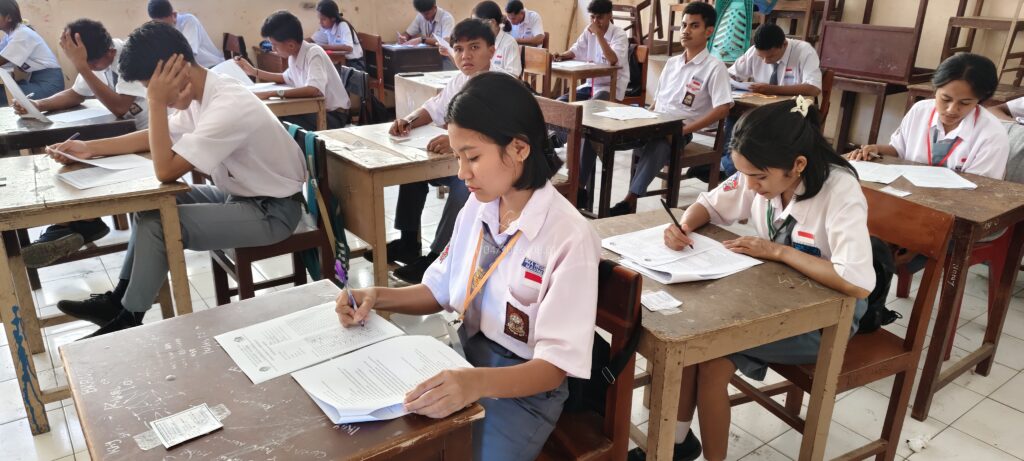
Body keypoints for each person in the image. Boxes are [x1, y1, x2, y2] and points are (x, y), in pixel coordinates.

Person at [336, 71, 600, 461]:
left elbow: (553, 368)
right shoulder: (479, 206)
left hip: (524, 391)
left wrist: (474, 383)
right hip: (465, 358)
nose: (462, 173)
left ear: (519, 148)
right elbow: (439, 290)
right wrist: (375, 295)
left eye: (472, 157)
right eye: (458, 157)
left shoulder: (569, 236)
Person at [630, 97, 874, 461]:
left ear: (798, 165)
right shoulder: (762, 168)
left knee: (707, 356)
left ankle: (686, 448)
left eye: (758, 177)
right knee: (695, 344)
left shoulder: (839, 191)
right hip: (774, 297)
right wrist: (683, 226)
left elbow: (856, 282)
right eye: (744, 174)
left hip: (827, 316)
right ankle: (677, 444)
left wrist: (778, 252)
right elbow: (709, 204)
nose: (750, 185)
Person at [53, 21, 306, 338]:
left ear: (178, 68)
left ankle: (129, 318)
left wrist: (156, 103)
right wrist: (89, 148)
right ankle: (117, 301)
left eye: (154, 88)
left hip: (273, 212)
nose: (156, 96)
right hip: (241, 196)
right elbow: (154, 137)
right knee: (149, 207)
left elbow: (166, 170)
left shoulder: (228, 104)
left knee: (160, 225)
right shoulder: (203, 94)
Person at [16, 19, 150, 270]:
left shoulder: (129, 57)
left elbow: (120, 107)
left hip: (148, 136)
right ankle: (78, 223)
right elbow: (76, 93)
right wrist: (38, 105)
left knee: (87, 156)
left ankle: (80, 224)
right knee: (72, 158)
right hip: (127, 134)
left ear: (110, 51)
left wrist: (82, 66)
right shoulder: (95, 58)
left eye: (91, 64)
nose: (89, 68)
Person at [373, 18, 495, 284]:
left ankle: (439, 256)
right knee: (411, 173)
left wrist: (455, 142)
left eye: (474, 47)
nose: (466, 55)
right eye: (459, 49)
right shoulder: (460, 80)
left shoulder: (498, 86)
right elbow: (433, 107)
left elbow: (496, 135)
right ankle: (408, 241)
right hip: (459, 161)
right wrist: (409, 120)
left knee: (464, 185)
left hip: (490, 170)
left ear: (492, 51)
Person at [606, 1, 732, 216]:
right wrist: (642, 116)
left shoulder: (714, 67)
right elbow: (657, 101)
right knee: (604, 134)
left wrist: (684, 130)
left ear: (709, 32)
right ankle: (583, 187)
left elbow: (723, 109)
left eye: (694, 26)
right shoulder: (672, 63)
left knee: (660, 142)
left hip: (680, 131)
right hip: (653, 124)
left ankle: (629, 200)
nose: (686, 31)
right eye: (684, 25)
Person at [846, 53, 1008, 179]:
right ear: (935, 89)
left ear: (980, 100)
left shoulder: (992, 135)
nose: (952, 109)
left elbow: (981, 188)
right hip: (909, 194)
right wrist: (876, 149)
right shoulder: (920, 110)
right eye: (945, 99)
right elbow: (899, 150)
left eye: (965, 103)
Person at [721, 22, 821, 176]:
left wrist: (772, 89)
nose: (765, 61)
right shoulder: (754, 51)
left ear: (784, 44)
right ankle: (731, 163)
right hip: (760, 108)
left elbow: (813, 88)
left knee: (755, 129)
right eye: (761, 57)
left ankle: (729, 167)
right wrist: (732, 82)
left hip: (791, 111)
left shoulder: (804, 51)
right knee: (733, 111)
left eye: (771, 56)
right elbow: (731, 74)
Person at [234, 10, 350, 130]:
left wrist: (271, 94)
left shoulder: (314, 53)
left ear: (291, 45)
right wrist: (253, 71)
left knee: (274, 119)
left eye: (275, 45)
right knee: (272, 118)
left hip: (333, 116)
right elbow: (284, 78)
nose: (273, 49)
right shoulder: (293, 56)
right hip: (315, 110)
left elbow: (314, 90)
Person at [553, 0, 628, 102]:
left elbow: (613, 60)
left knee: (591, 107)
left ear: (610, 15)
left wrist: (599, 35)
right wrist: (562, 55)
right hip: (591, 85)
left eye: (600, 17)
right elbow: (576, 49)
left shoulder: (619, 34)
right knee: (560, 103)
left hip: (611, 86)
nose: (595, 22)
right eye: (592, 17)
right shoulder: (588, 31)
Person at [0, 0, 63, 105]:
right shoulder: (10, 35)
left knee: (2, 94)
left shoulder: (21, 34)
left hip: (48, 85)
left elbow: (1, 60)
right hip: (37, 81)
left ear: (9, 18)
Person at [147, 0, 224, 68]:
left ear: (174, 15)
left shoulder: (189, 21)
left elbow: (188, 54)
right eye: (158, 24)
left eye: (165, 25)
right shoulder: (160, 29)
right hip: (192, 70)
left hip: (212, 66)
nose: (162, 28)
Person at [309, 0, 365, 71]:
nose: (320, 22)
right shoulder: (326, 28)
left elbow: (349, 48)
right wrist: (300, 42)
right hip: (340, 62)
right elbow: (312, 40)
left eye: (323, 19)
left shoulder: (342, 25)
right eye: (319, 19)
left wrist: (323, 47)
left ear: (333, 18)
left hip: (354, 64)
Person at [472, 1, 521, 77]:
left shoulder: (509, 43)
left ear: (492, 22)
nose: (475, 29)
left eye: (477, 24)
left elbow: (513, 76)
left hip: (500, 84)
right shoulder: (479, 42)